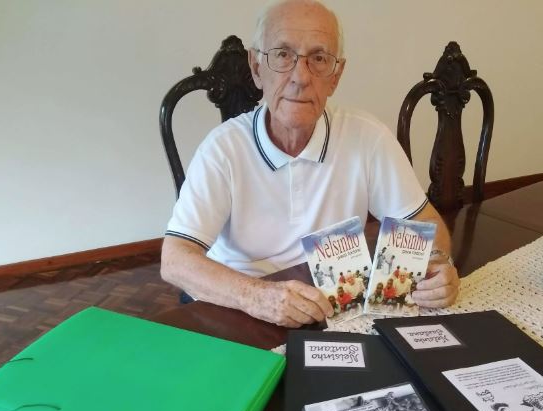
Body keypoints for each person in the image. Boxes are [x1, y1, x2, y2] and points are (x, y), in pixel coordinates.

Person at [160, 0, 459, 328]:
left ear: (336, 76)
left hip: (332, 306)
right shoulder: (222, 149)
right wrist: (257, 297)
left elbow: (423, 222)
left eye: (318, 58)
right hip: (239, 309)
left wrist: (437, 263)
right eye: (282, 54)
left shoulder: (368, 136)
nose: (300, 77)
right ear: (257, 68)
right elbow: (175, 260)